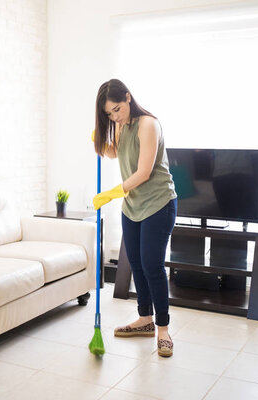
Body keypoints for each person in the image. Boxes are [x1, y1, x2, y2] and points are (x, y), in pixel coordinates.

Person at [92, 79, 177, 357]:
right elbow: (116, 152)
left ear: (128, 98)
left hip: (158, 203)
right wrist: (99, 142)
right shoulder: (120, 125)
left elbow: (143, 172)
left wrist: (112, 193)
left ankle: (163, 330)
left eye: (117, 109)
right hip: (133, 206)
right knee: (137, 263)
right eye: (109, 114)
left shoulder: (148, 124)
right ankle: (145, 319)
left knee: (152, 264)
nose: (115, 116)